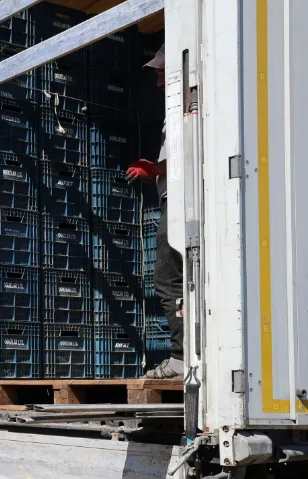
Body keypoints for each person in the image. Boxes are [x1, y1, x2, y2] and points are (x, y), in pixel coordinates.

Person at [127, 45, 183, 379]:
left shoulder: (186, 109)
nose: (158, 80)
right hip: (175, 197)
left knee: (167, 279)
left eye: (162, 72)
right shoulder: (176, 109)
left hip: (181, 199)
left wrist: (157, 170)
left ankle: (180, 358)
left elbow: (194, 151)